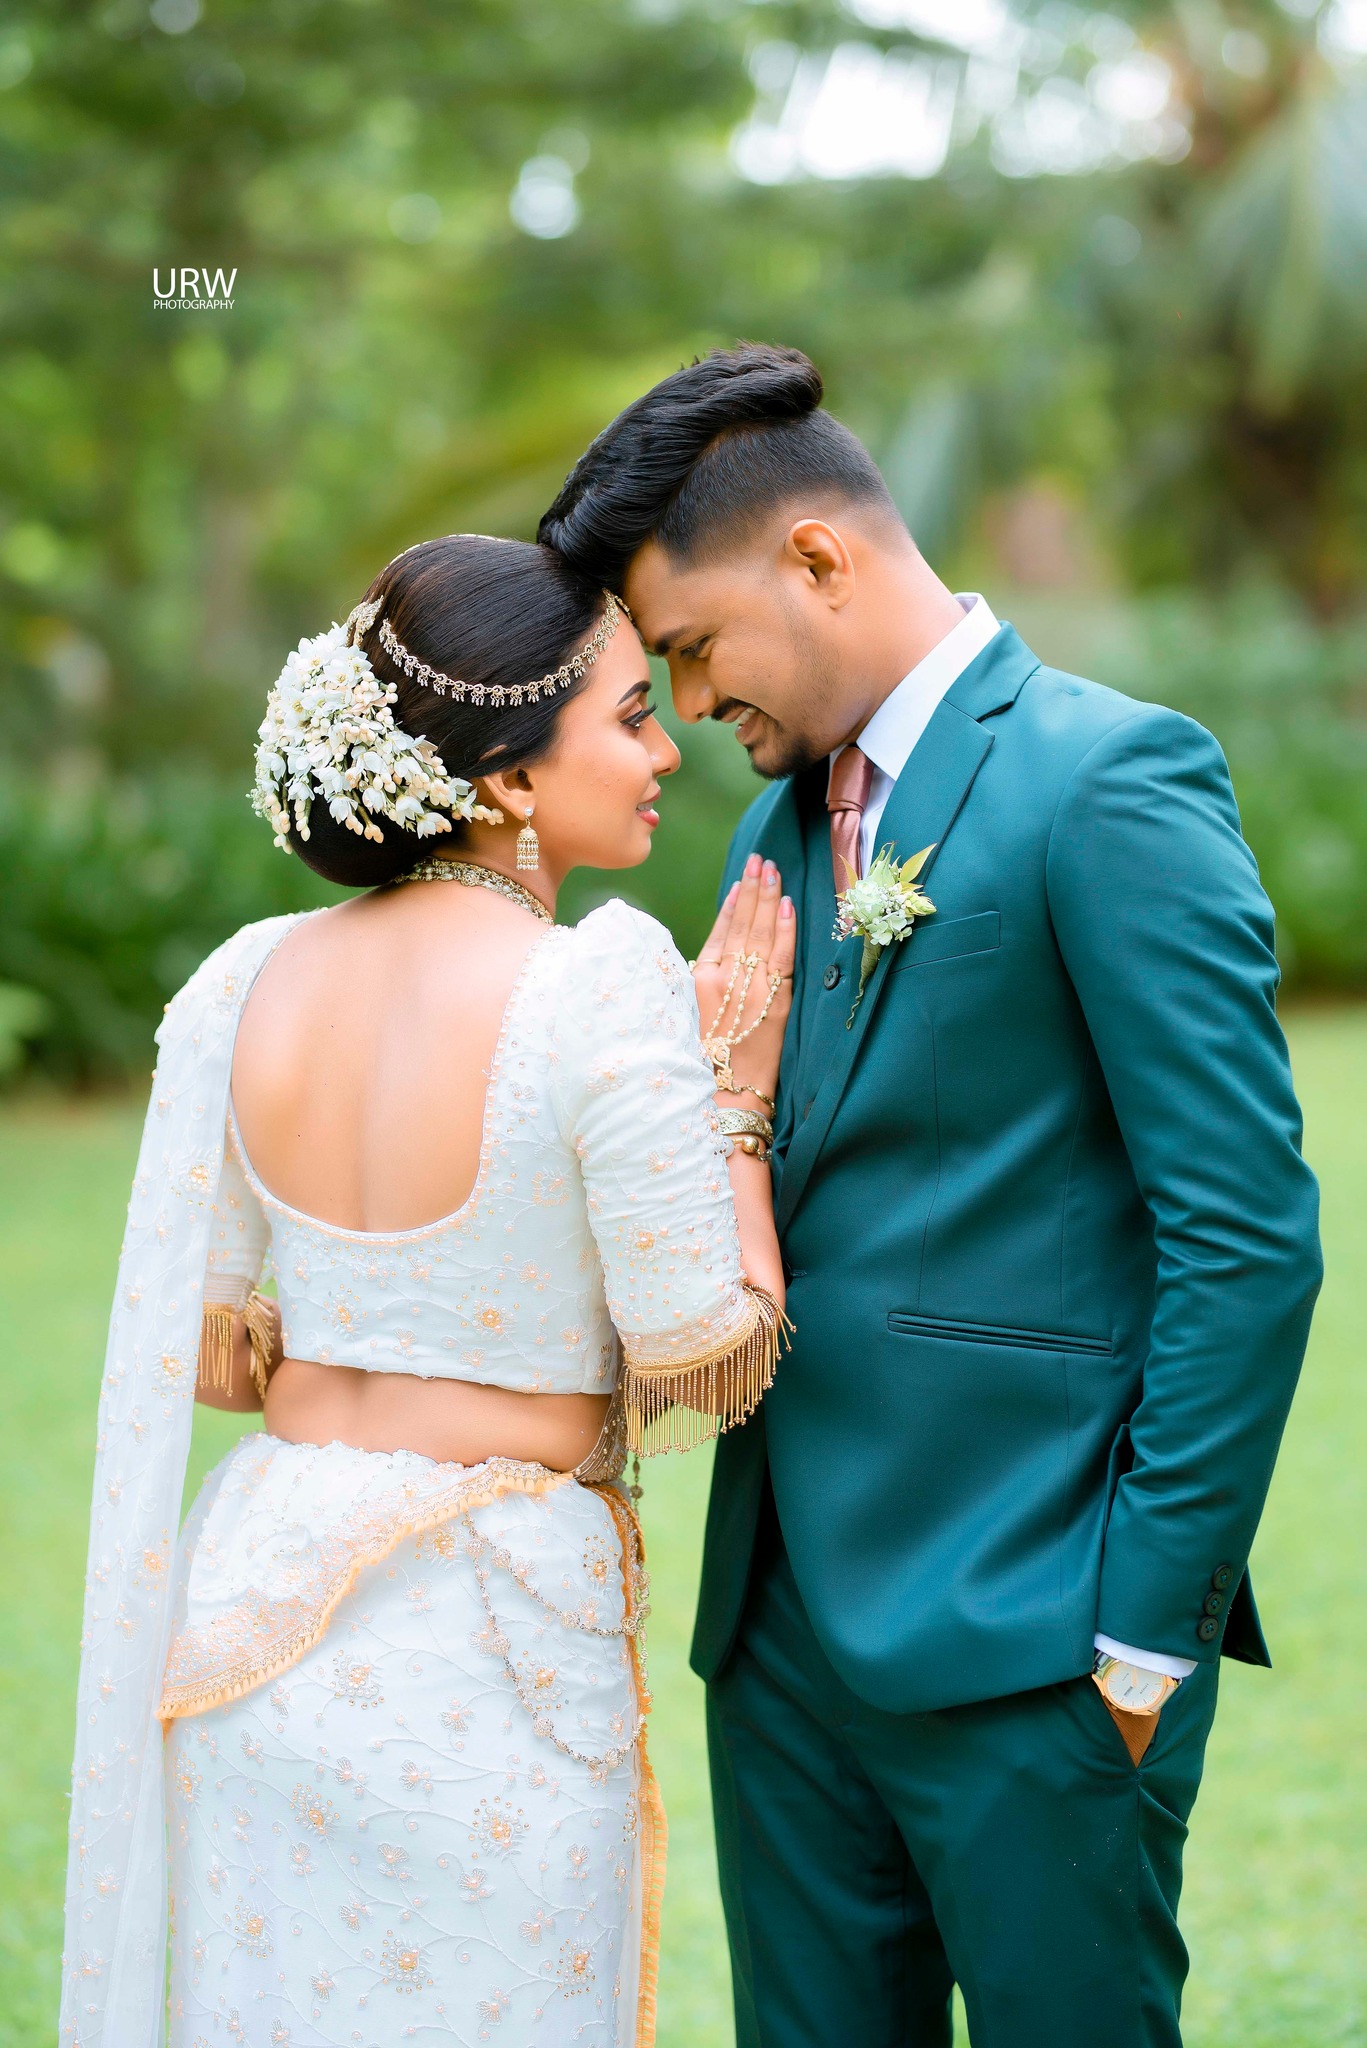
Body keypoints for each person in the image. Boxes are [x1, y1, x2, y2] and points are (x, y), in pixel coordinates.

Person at [537, 343, 1324, 2047]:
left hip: (1041, 1638)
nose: (687, 706)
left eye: (692, 648)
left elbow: (1248, 1239)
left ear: (816, 557)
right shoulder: (769, 840)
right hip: (779, 1650)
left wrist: (1144, 1637)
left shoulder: (1108, 781)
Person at [59, 533, 795, 2048]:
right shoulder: (599, 981)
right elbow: (707, 1343)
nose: (668, 749)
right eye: (629, 717)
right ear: (510, 778)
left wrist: (379, 1333)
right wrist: (734, 1095)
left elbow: (213, 1350)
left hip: (259, 1615)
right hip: (485, 1643)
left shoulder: (243, 981)